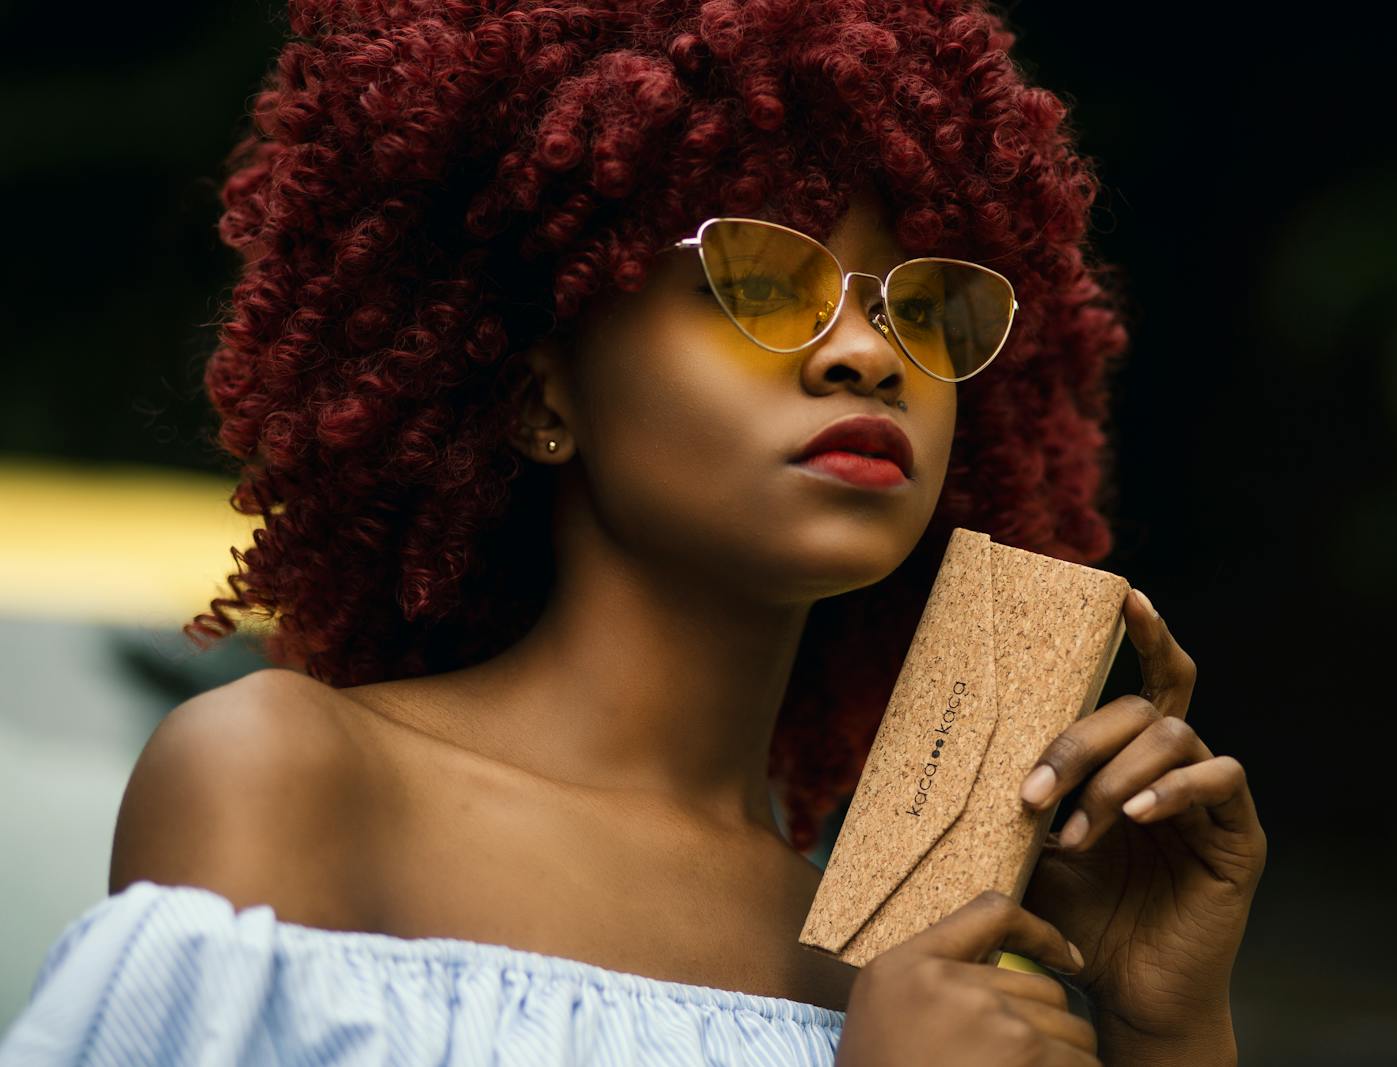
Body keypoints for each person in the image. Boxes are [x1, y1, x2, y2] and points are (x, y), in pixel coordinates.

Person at [0, 1, 1265, 1064]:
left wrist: (1168, 1026)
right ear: (542, 390)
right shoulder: (288, 777)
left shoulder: (901, 946)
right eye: (764, 283)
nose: (874, 352)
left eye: (925, 306)